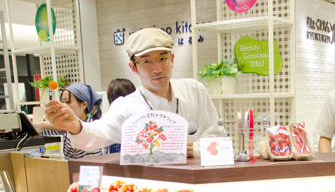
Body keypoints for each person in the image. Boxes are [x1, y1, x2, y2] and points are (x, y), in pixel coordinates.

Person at [45, 28, 225, 157]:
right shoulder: (126, 107)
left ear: (172, 59)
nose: (157, 69)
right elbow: (98, 133)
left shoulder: (194, 91)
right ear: (133, 67)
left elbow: (218, 137)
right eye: (147, 62)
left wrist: (195, 148)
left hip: (196, 190)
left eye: (163, 58)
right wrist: (75, 126)